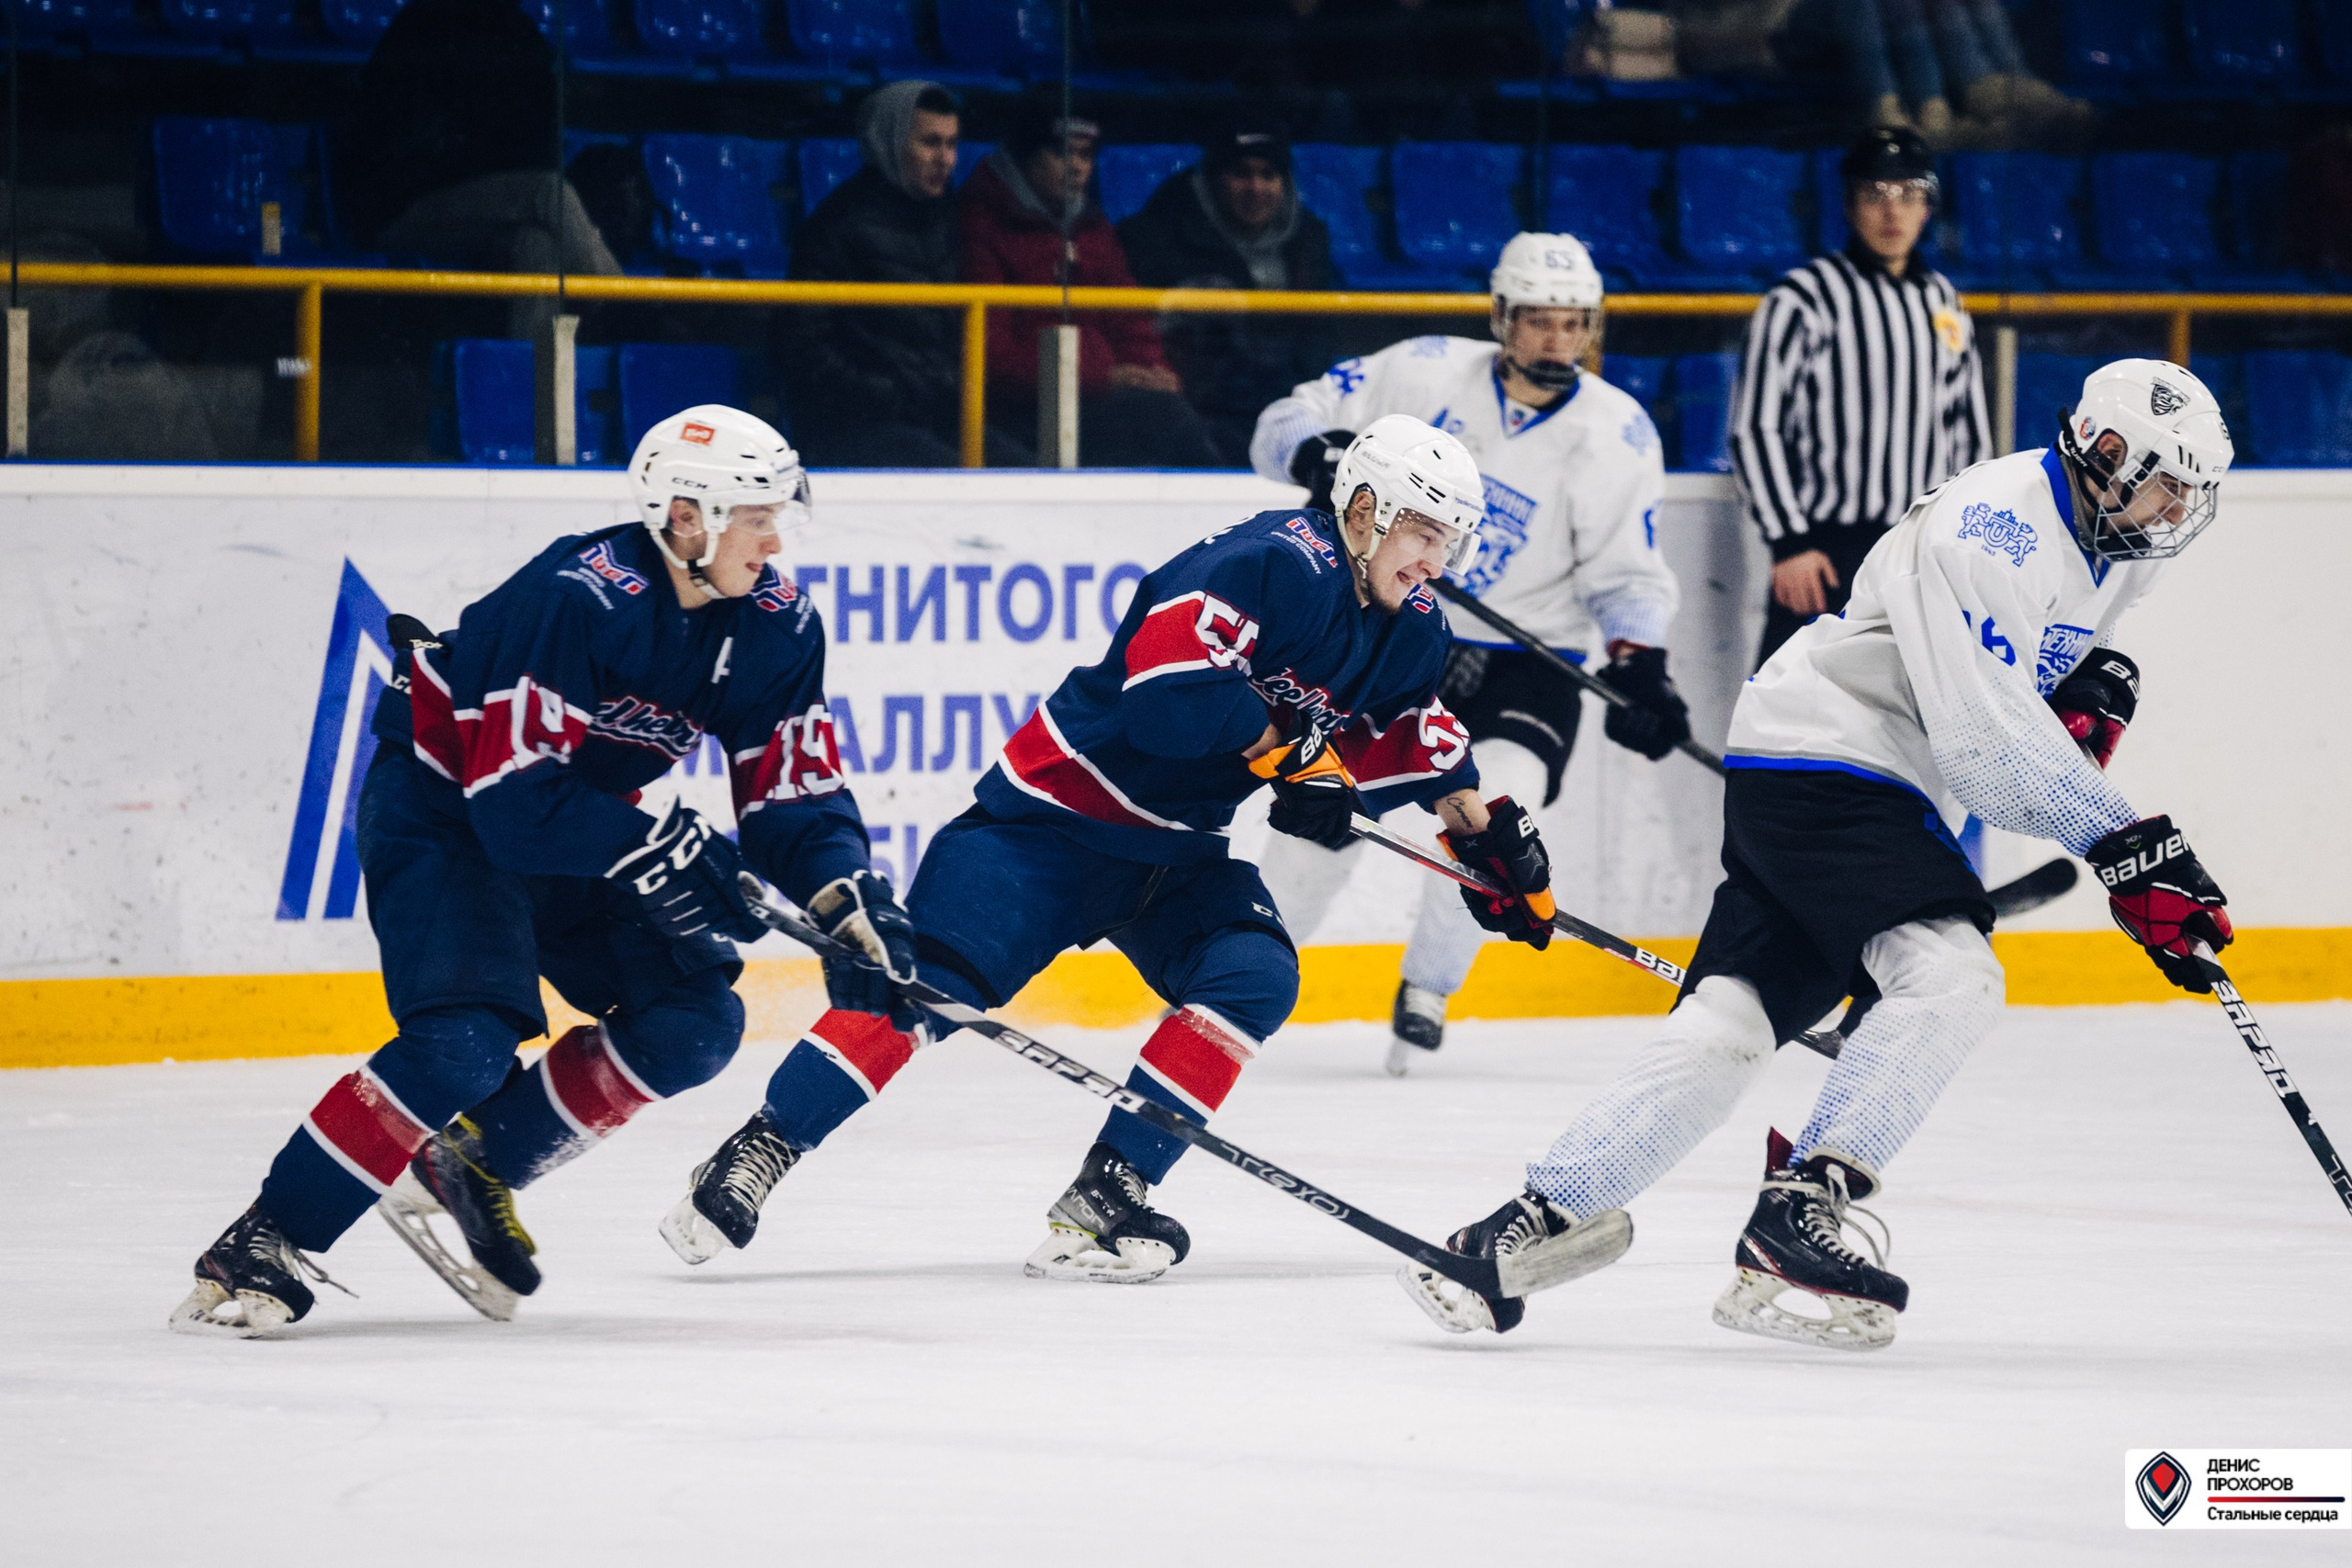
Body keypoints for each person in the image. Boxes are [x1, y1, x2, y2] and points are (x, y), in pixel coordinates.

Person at [1401, 359, 2236, 1349]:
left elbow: (2056, 661)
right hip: (1837, 755)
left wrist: (2101, 677)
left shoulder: (2127, 539)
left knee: (1728, 1024)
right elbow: (1981, 746)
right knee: (1950, 977)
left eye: (2194, 489)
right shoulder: (1990, 524)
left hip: (1833, 764)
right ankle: (1801, 1209)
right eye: (2164, 481)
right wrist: (2125, 846)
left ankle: (1524, 1224)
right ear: (2102, 454)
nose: (2177, 506)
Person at [660, 417, 1562, 1284]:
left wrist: (1479, 837)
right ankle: (760, 1148)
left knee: (1254, 972)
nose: (1437, 562)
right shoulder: (1267, 562)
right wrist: (1289, 754)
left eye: (1453, 541)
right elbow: (1165, 699)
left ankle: (1107, 1193)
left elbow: (1401, 730)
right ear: (1362, 510)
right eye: (1423, 534)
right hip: (1044, 827)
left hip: (1176, 859)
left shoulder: (1412, 624)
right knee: (926, 986)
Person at [169, 407, 917, 1337]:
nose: (774, 539)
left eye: (777, 514)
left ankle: (472, 1160)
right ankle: (265, 1238)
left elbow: (791, 793)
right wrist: (655, 845)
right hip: (449, 809)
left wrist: (845, 893)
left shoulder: (775, 624)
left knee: (693, 1023)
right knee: (468, 1042)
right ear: (687, 517)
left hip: (581, 822)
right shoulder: (575, 597)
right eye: (755, 515)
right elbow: (513, 804)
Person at [1249, 233, 1688, 1075]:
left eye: (1575, 323)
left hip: (1529, 661)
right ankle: (1246, 970)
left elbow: (1627, 574)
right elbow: (1282, 421)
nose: (1559, 339)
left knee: (1492, 814)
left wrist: (1641, 663)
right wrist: (1318, 453)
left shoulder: (1619, 431)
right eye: (1541, 320)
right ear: (1501, 316)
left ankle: (1428, 986)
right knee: (1317, 822)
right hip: (1397, 635)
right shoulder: (1422, 368)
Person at [1731, 126, 1989, 670]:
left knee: (1911, 720)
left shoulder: (1944, 302)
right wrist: (1789, 543)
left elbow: (1968, 434)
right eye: (1876, 194)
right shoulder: (1802, 299)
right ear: (1849, 205)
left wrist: (1970, 541)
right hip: (1826, 552)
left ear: (1928, 207)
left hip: (1921, 553)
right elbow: (1756, 428)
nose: (1892, 212)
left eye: (1908, 194)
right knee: (1786, 721)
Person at [958, 96, 1223, 468]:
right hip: (1021, 408)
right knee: (1169, 422)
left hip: (1091, 395)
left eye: (1085, 156)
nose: (1077, 168)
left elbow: (1127, 315)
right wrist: (1107, 375)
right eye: (1063, 154)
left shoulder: (1091, 227)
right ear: (1025, 157)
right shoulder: (982, 225)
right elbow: (994, 358)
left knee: (1182, 413)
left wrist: (1152, 370)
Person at [342, 0, 622, 341]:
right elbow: (397, 152)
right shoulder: (420, 28)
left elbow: (540, 145)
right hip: (408, 212)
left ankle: (526, 383)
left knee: (538, 247)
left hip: (494, 215)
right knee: (546, 190)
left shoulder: (521, 34)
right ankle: (624, 306)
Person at [785, 81, 1031, 468]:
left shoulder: (952, 218)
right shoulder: (836, 226)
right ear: (890, 142)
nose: (946, 160)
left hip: (937, 418)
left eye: (952, 145)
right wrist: (889, 393)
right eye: (930, 143)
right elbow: (803, 348)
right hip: (855, 426)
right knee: (956, 484)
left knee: (1030, 479)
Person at [1117, 128, 1339, 465]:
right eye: (1241, 174)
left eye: (1268, 175)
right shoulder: (1158, 235)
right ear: (1213, 180)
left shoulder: (1309, 240)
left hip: (1289, 402)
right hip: (1207, 410)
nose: (1256, 188)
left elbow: (1322, 336)